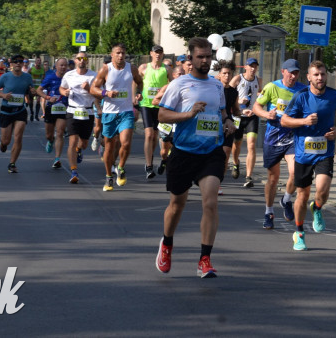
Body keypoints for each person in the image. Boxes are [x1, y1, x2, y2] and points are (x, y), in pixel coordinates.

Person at [154, 37, 234, 278]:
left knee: (210, 202)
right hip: (184, 151)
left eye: (209, 56)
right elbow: (162, 115)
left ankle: (205, 260)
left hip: (211, 152)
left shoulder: (217, 85)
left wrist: (228, 122)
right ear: (190, 58)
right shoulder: (179, 84)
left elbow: (222, 112)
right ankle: (167, 244)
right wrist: (188, 114)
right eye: (200, 56)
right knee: (177, 204)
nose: (205, 60)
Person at [280, 60, 336, 251]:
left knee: (323, 189)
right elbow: (285, 120)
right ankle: (299, 233)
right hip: (303, 154)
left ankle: (317, 207)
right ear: (309, 77)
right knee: (302, 194)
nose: (320, 78)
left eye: (323, 74)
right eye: (316, 75)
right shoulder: (301, 97)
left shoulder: (334, 95)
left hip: (325, 152)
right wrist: (303, 121)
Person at [254, 59, 307, 229]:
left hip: (293, 138)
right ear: (283, 71)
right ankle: (269, 212)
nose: (293, 75)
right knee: (273, 178)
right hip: (273, 138)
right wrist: (265, 114)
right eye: (290, 72)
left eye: (296, 72)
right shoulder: (271, 87)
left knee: (295, 172)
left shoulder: (303, 90)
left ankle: (286, 200)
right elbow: (256, 106)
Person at [91, 43, 144, 192]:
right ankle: (109, 176)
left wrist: (139, 94)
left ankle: (120, 167)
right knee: (109, 145)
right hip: (109, 113)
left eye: (123, 53)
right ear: (112, 54)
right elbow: (93, 89)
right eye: (118, 53)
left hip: (126, 111)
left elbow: (140, 82)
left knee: (125, 143)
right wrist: (105, 94)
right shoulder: (106, 69)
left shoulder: (131, 68)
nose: (121, 56)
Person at [0, 54, 50, 173]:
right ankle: (3, 144)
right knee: (6, 140)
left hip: (20, 111)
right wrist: (3, 95)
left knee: (18, 137)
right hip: (6, 111)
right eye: (15, 61)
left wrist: (33, 92)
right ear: (11, 64)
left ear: (23, 64)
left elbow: (31, 91)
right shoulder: (5, 77)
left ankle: (12, 163)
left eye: (20, 61)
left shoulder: (27, 77)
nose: (18, 63)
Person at [60, 52, 99, 184]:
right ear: (75, 61)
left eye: (84, 58)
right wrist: (63, 92)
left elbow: (99, 94)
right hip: (72, 110)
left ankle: (79, 149)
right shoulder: (69, 75)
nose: (81, 60)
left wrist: (89, 89)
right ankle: (74, 171)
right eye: (79, 58)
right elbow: (61, 87)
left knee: (83, 144)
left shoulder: (94, 75)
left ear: (87, 61)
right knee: (72, 141)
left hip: (87, 112)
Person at [139, 45, 172, 180]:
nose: (158, 55)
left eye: (160, 52)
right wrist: (136, 94)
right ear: (151, 53)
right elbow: (136, 81)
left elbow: (174, 84)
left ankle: (150, 156)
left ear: (163, 54)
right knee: (149, 134)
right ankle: (148, 166)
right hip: (146, 104)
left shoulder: (167, 69)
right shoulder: (144, 68)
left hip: (160, 106)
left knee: (155, 136)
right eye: (156, 52)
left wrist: (165, 90)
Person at [229, 57, 260, 187]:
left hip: (252, 116)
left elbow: (260, 94)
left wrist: (260, 98)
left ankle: (249, 176)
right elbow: (227, 94)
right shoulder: (237, 79)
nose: (253, 69)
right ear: (245, 67)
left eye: (255, 66)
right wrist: (239, 101)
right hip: (238, 116)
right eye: (250, 66)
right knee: (237, 144)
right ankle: (236, 163)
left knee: (251, 144)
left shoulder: (259, 80)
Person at [39, 58, 70, 170]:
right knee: (49, 134)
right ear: (56, 66)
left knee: (60, 132)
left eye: (65, 65)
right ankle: (50, 141)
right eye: (61, 65)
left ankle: (57, 159)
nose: (63, 67)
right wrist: (47, 97)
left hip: (64, 108)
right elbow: (39, 90)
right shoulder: (50, 77)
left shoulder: (70, 77)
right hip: (51, 108)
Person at [216, 60, 240, 194]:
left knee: (225, 154)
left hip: (228, 124)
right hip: (213, 123)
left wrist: (243, 112)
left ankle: (218, 183)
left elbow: (235, 110)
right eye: (224, 73)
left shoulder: (233, 92)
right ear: (219, 75)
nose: (227, 76)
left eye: (229, 73)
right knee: (212, 154)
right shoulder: (213, 88)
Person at [28, 57, 46, 121]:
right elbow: (27, 76)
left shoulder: (42, 70)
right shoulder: (31, 69)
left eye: (39, 61)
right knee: (31, 101)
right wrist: (30, 82)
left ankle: (36, 115)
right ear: (35, 62)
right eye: (37, 61)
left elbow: (44, 78)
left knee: (38, 101)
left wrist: (42, 82)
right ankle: (32, 113)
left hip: (39, 88)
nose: (38, 62)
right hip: (32, 88)